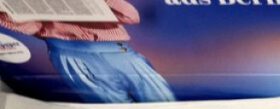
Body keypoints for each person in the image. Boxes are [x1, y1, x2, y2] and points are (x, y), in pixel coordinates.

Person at [0, 0, 175, 103]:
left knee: (162, 100)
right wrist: (5, 14)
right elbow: (33, 27)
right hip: (67, 55)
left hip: (117, 52)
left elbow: (131, 17)